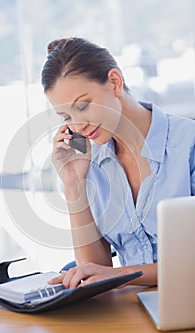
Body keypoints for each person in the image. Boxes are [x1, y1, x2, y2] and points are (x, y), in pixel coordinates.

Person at [41, 37, 195, 289]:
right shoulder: (91, 162)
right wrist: (73, 183)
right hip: (130, 312)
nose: (78, 125)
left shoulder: (188, 145)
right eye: (67, 116)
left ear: (114, 82)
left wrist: (121, 275)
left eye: (83, 105)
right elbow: (94, 269)